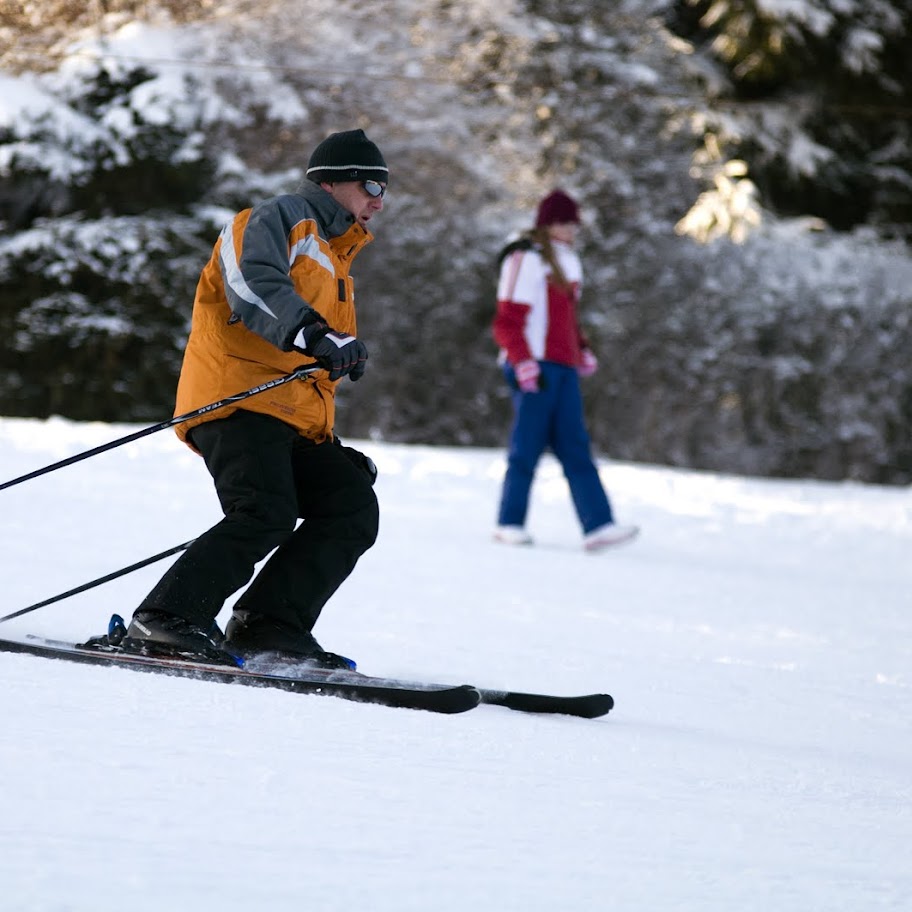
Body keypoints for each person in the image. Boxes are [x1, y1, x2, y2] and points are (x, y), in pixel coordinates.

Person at [118, 129, 389, 668]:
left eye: (385, 187)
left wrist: (330, 440)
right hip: (237, 399)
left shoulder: (338, 260)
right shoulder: (276, 218)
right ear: (332, 182)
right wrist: (313, 332)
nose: (379, 198)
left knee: (350, 505)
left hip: (292, 418)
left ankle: (269, 625)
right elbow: (250, 283)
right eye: (370, 183)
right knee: (264, 511)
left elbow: (309, 367)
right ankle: (166, 618)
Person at [491, 189, 638, 552]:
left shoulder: (568, 261)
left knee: (576, 447)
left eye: (574, 222)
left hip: (563, 366)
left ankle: (598, 526)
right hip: (534, 366)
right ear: (547, 223)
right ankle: (509, 523)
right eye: (563, 222)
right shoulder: (526, 258)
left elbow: (567, 318)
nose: (571, 228)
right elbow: (507, 320)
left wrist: (581, 350)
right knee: (526, 447)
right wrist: (523, 361)